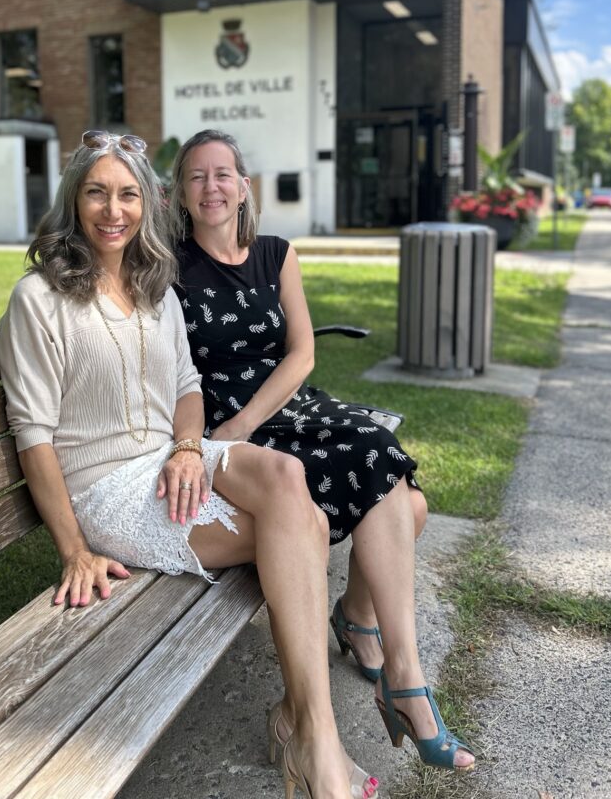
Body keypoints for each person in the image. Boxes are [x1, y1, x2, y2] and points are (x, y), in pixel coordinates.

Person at [0, 131, 379, 799]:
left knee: (287, 479)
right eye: (96, 193)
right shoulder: (40, 299)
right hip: (108, 486)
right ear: (74, 201)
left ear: (146, 204)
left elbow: (186, 389)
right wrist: (73, 550)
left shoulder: (154, 289)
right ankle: (312, 737)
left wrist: (187, 446)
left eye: (127, 194)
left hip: (173, 458)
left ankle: (305, 726)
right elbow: (33, 434)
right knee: (305, 527)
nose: (112, 210)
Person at [170, 129, 474, 773]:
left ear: (244, 184)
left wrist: (254, 418)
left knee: (377, 450)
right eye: (196, 177)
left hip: (280, 408)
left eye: (223, 174)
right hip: (219, 418)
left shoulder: (277, 254)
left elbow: (302, 352)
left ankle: (400, 666)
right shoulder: (169, 266)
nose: (211, 187)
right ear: (181, 191)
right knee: (405, 504)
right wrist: (226, 432)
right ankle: (390, 666)